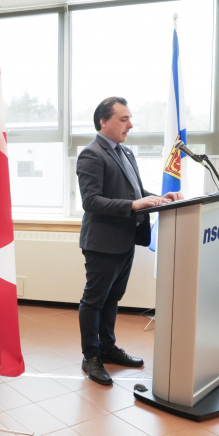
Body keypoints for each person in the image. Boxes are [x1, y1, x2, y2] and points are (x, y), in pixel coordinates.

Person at [76, 96, 183, 385]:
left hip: (124, 239)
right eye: (124, 119)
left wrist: (160, 198)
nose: (130, 124)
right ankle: (91, 356)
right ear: (103, 121)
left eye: (129, 118)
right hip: (101, 242)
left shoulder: (125, 153)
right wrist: (134, 206)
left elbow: (135, 191)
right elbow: (91, 201)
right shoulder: (91, 154)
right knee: (94, 300)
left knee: (113, 298)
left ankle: (108, 348)